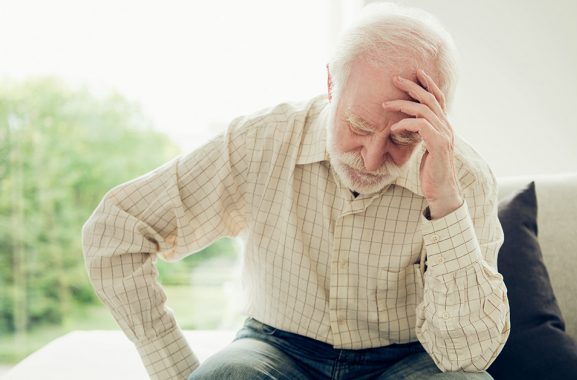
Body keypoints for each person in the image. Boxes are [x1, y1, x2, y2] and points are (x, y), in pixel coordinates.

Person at [82, 3, 509, 379]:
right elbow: (115, 232)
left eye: (401, 138)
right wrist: (177, 371)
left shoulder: (465, 178)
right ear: (330, 86)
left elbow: (466, 356)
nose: (373, 158)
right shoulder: (260, 143)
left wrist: (445, 203)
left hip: (407, 361)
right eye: (359, 126)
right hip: (275, 347)